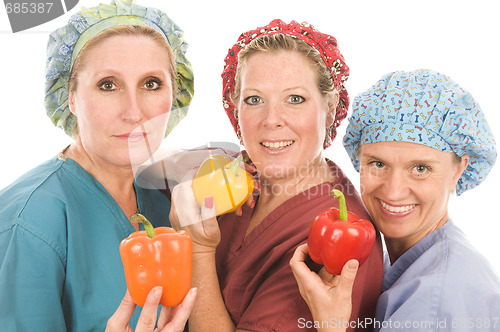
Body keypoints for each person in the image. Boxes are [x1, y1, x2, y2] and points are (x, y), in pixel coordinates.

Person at [169, 19, 383, 332]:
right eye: (254, 100)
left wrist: (198, 249)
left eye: (295, 99)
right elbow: (137, 170)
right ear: (234, 107)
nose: (271, 120)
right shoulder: (230, 172)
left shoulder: (337, 244)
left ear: (330, 106)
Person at [0, 0, 196, 330]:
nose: (134, 113)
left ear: (175, 94)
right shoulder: (29, 222)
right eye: (108, 85)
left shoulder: (169, 199)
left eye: (151, 84)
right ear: (70, 97)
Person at [291, 69, 500, 331]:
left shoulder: (439, 298)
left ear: (458, 169)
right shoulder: (405, 261)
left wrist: (330, 325)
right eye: (378, 163)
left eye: (420, 168)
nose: (393, 191)